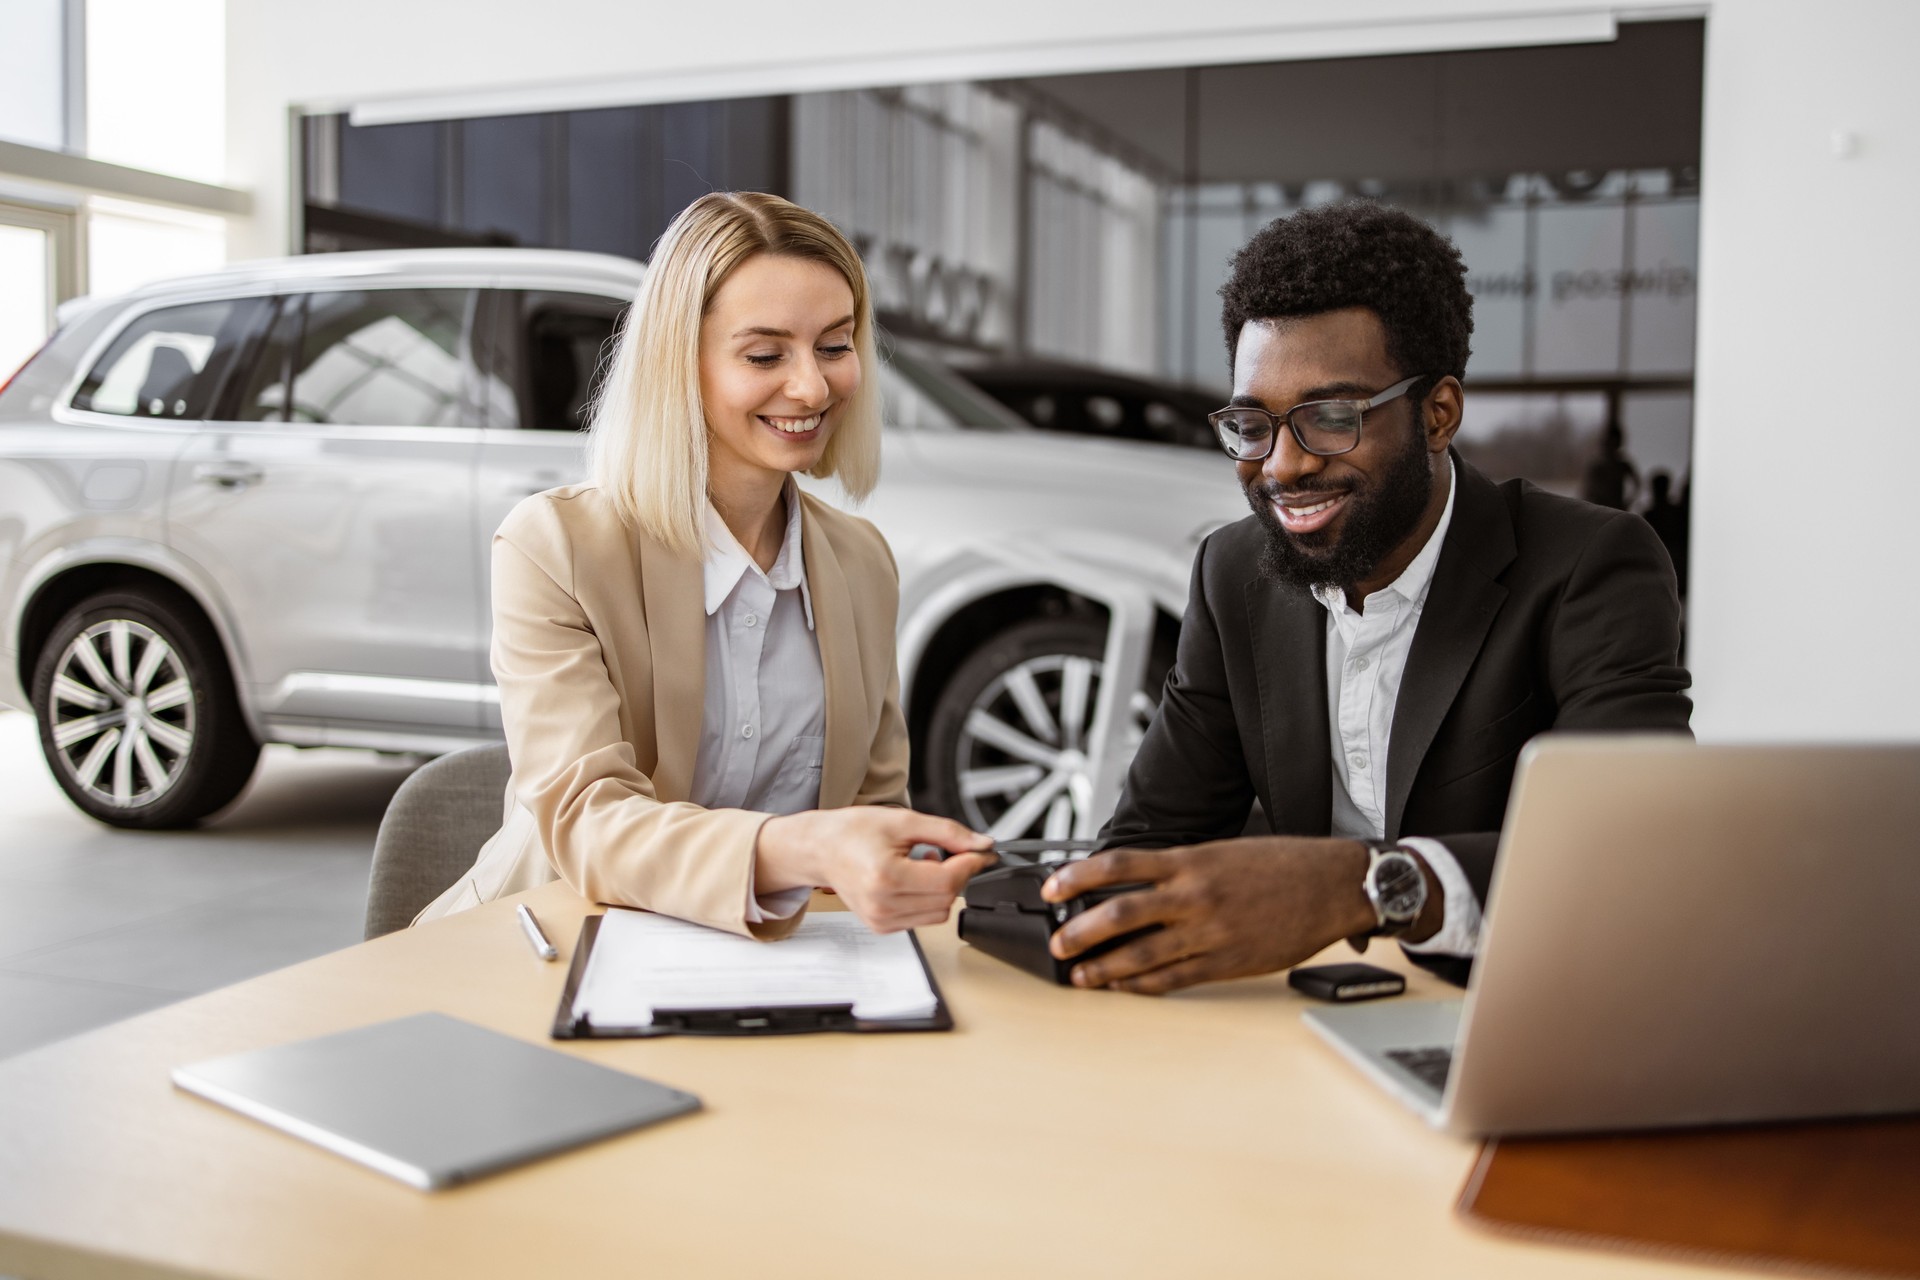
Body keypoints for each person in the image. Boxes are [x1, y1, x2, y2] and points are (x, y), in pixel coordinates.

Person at [1041, 202, 1692, 991]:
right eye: (1253, 423)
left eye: (1331, 418)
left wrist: (1359, 887)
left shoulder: (1589, 566)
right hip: (1312, 1026)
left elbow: (1632, 847)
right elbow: (1153, 837)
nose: (1282, 466)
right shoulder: (1232, 573)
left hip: (1525, 1010)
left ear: (1439, 414)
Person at [416, 193, 994, 938]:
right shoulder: (553, 546)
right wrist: (802, 847)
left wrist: (914, 865)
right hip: (549, 946)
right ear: (677, 364)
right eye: (764, 355)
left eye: (834, 345)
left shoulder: (861, 562)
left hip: (769, 964)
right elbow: (590, 823)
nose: (813, 388)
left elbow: (875, 810)